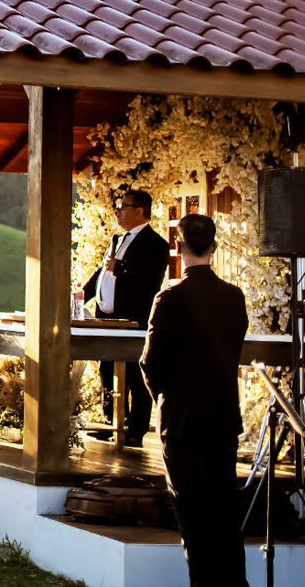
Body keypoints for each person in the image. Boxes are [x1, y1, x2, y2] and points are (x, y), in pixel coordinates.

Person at [140, 214, 249, 587]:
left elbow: (150, 364)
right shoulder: (234, 298)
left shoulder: (169, 298)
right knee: (226, 518)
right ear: (214, 247)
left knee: (194, 522)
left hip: (182, 421)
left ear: (179, 247)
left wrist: (164, 399)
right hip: (223, 419)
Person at [82, 189, 169, 444]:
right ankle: (111, 421)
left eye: (123, 206)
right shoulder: (117, 240)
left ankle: (135, 429)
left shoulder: (156, 244)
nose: (118, 211)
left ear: (140, 211)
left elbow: (150, 281)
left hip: (134, 320)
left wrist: (119, 267)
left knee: (134, 374)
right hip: (107, 319)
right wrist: (80, 295)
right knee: (107, 369)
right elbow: (101, 274)